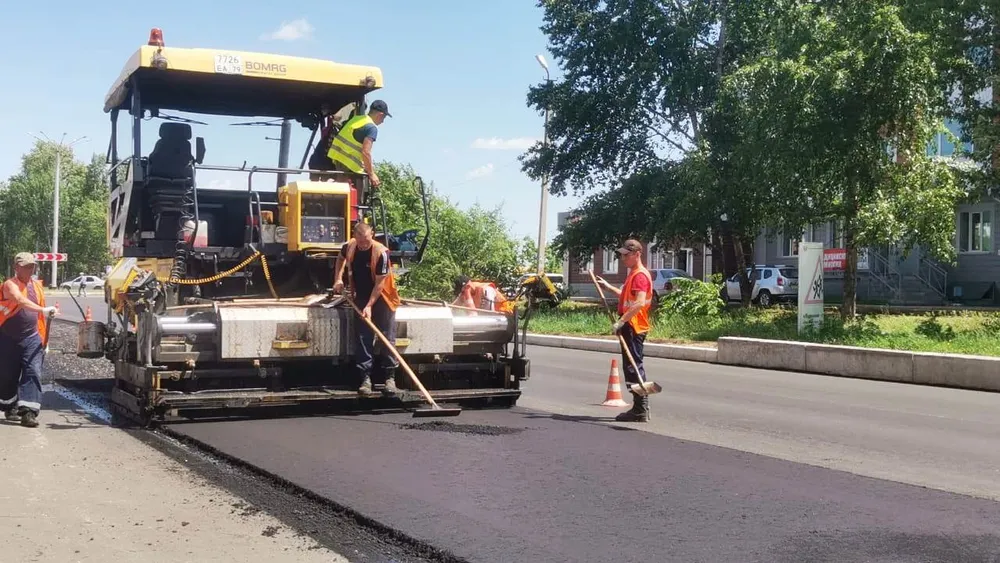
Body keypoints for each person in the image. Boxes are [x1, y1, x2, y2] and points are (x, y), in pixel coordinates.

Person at [332, 222, 401, 397]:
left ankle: (389, 378)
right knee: (363, 336)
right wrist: (338, 279)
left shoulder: (382, 253)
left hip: (383, 297)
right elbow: (340, 259)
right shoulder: (349, 246)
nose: (363, 244)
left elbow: (380, 284)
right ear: (355, 236)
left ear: (372, 235)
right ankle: (365, 379)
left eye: (366, 240)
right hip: (361, 295)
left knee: (386, 336)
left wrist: (369, 306)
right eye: (360, 241)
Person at [596, 239, 654, 422]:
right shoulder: (633, 274)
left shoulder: (640, 276)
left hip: (634, 325)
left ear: (637, 254)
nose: (623, 258)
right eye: (621, 255)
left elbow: (638, 303)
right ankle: (639, 406)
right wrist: (609, 287)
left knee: (633, 365)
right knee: (631, 365)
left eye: (626, 255)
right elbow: (628, 297)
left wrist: (621, 321)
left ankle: (640, 408)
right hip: (631, 324)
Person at [0, 252, 58, 428]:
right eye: (26, 266)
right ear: (16, 267)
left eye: (32, 266)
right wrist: (43, 310)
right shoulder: (10, 285)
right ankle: (9, 406)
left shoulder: (37, 286)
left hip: (32, 337)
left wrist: (43, 341)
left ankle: (28, 413)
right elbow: (18, 299)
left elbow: (40, 317)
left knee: (33, 372)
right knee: (7, 376)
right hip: (7, 337)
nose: (30, 269)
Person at [326, 99, 391, 205]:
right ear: (380, 114)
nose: (383, 121)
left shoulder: (357, 119)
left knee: (341, 198)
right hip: (351, 166)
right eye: (383, 118)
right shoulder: (371, 128)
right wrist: (372, 174)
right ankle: (357, 219)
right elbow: (366, 152)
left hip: (339, 161)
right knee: (357, 204)